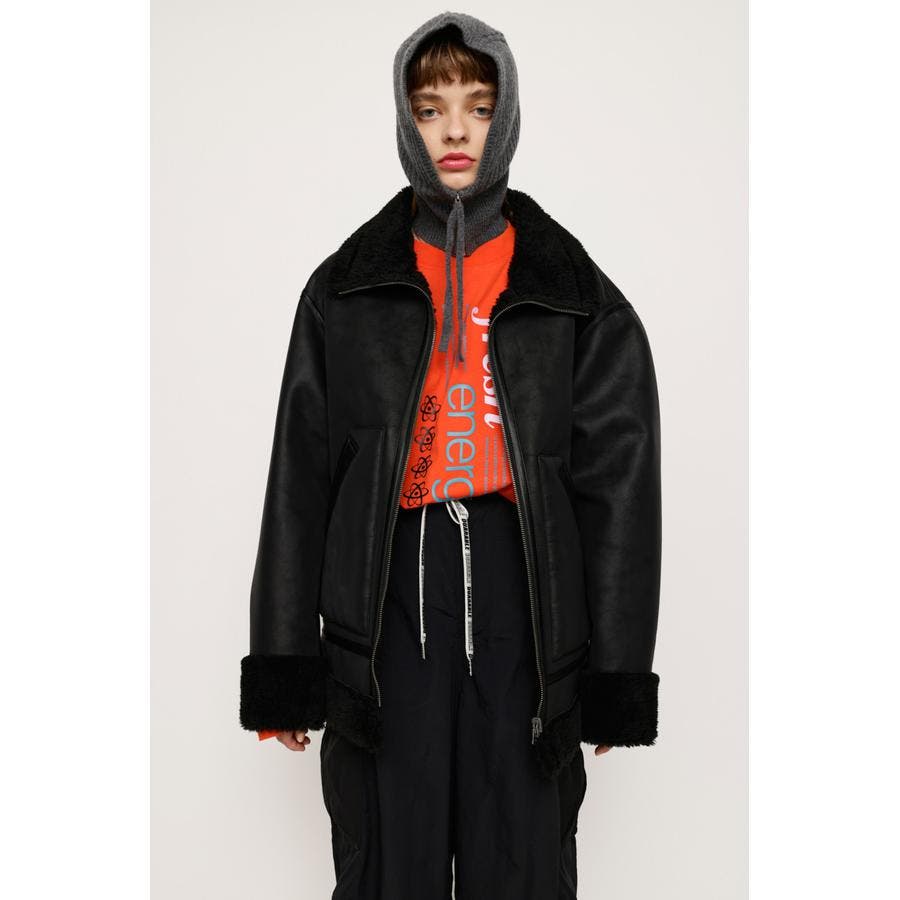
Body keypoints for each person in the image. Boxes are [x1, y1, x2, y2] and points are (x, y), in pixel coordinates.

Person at [239, 11, 662, 899]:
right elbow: (300, 478)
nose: (456, 130)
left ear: (506, 117)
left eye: (478, 106)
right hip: (388, 600)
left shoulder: (572, 292)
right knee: (391, 856)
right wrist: (285, 664)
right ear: (406, 122)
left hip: (525, 600)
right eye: (431, 110)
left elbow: (619, 486)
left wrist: (616, 675)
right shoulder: (346, 289)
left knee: (523, 856)